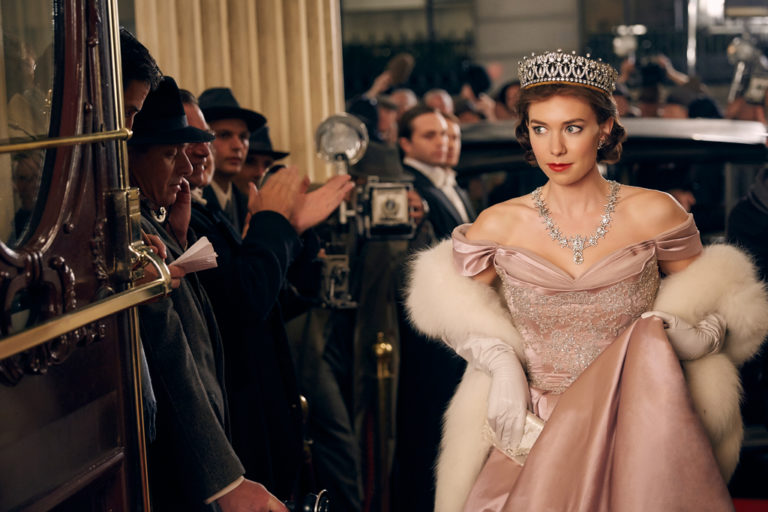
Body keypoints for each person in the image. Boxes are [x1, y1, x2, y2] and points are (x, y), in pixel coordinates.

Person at [405, 50, 768, 511]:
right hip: (527, 435)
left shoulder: (655, 213)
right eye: (540, 129)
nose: (554, 148)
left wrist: (705, 336)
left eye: (572, 128)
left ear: (605, 129)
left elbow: (720, 295)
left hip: (637, 429)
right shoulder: (498, 224)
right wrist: (497, 361)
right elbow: (453, 308)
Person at [179, 89, 353, 501]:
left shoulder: (220, 207)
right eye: (215, 135)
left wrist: (292, 229)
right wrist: (275, 222)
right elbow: (246, 296)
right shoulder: (190, 213)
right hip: (234, 407)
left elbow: (278, 295)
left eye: (210, 137)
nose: (210, 148)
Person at [129, 76, 288, 512]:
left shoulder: (158, 224)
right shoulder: (131, 231)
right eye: (170, 153)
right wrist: (224, 480)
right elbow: (170, 357)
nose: (186, 167)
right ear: (127, 154)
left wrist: (178, 238)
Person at [392, 105, 476, 512]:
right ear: (405, 143)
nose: (444, 143)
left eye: (450, 136)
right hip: (427, 333)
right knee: (428, 430)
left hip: (461, 328)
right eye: (431, 136)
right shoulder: (407, 188)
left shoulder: (454, 187)